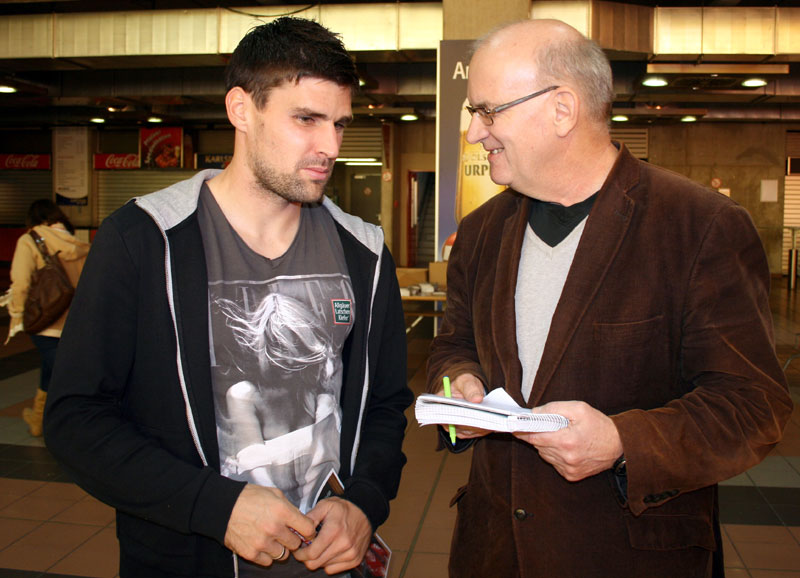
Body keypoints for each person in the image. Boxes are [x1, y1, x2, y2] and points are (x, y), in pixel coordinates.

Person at [44, 17, 412, 578]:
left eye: (339, 124)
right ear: (242, 108)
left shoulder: (363, 254)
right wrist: (216, 508)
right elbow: (75, 418)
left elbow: (384, 405)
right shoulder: (146, 241)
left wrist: (364, 503)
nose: (330, 146)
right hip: (188, 558)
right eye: (306, 119)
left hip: (331, 565)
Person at [426, 19, 793, 578]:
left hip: (627, 554)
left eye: (487, 111)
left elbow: (752, 405)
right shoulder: (480, 232)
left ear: (562, 109)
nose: (475, 133)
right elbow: (453, 344)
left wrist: (623, 441)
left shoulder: (699, 226)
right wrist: (463, 386)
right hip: (493, 550)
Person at [3, 199, 89, 437]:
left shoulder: (29, 241)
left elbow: (20, 282)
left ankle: (81, 426)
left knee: (67, 376)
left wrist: (18, 316)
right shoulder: (80, 243)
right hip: (76, 325)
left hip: (45, 323)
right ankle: (38, 419)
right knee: (50, 370)